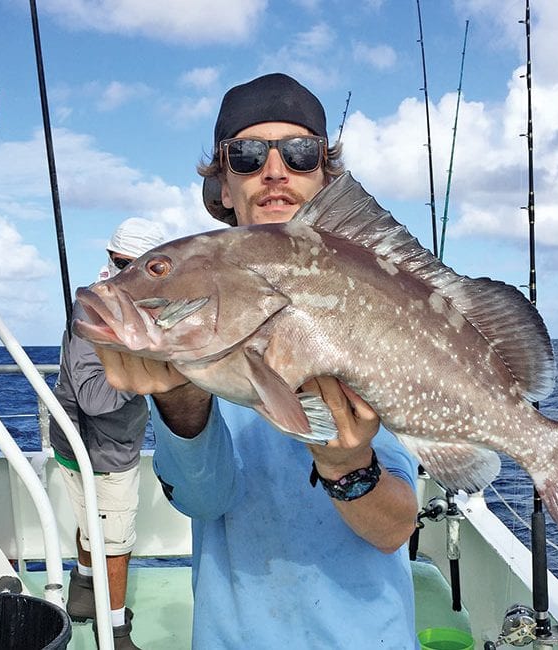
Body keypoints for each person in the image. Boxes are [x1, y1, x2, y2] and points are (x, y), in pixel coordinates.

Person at [95, 73, 421, 648]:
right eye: (246, 156)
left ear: (325, 177)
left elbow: (395, 529)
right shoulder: (198, 328)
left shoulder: (380, 305)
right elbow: (205, 501)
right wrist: (180, 401)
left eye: (299, 154)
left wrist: (350, 466)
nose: (275, 170)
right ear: (222, 185)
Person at [49, 217, 167, 650]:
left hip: (76, 441)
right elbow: (96, 400)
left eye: (142, 267)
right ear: (109, 260)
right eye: (121, 264)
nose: (126, 276)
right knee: (115, 539)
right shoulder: (94, 310)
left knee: (89, 518)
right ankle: (114, 630)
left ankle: (82, 594)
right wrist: (155, 366)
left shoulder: (149, 308)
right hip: (98, 448)